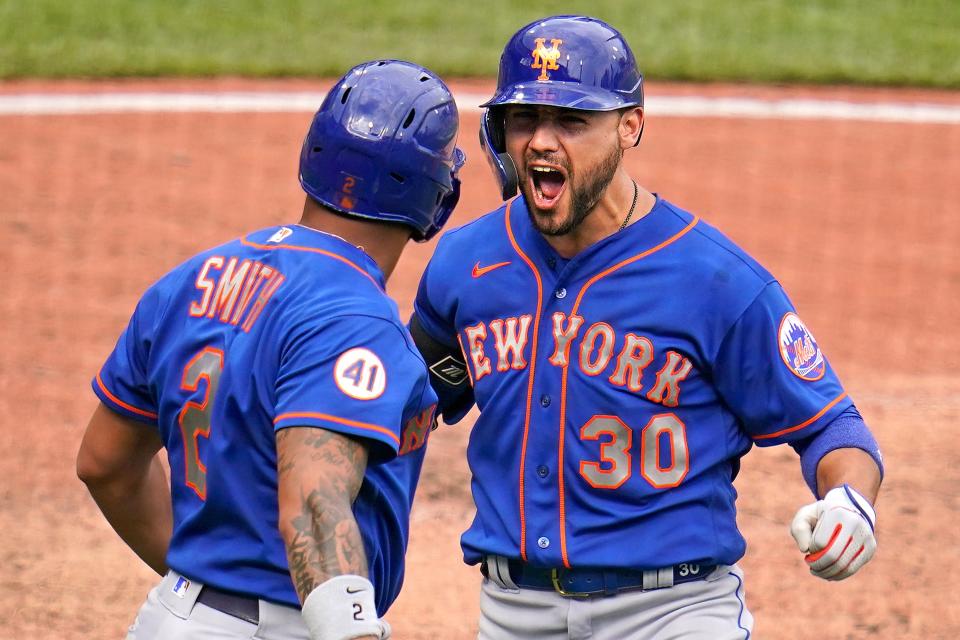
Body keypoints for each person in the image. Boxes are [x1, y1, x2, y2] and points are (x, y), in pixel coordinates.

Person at [409, 15, 883, 639]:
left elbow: (833, 427)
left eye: (572, 121)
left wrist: (849, 503)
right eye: (524, 119)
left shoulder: (716, 281)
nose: (542, 142)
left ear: (631, 125)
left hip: (672, 613)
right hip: (512, 612)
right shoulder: (464, 265)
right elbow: (406, 405)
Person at [76, 59, 464, 640]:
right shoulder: (357, 319)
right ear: (434, 195)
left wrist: (205, 590)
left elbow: (104, 464)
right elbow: (313, 507)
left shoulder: (192, 277)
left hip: (170, 615)